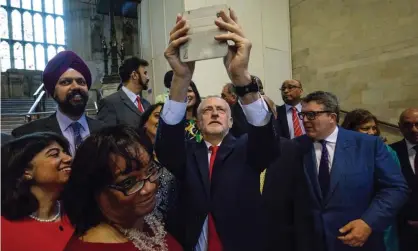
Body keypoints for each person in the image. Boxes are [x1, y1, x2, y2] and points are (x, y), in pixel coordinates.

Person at [155, 9, 281, 251]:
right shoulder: (187, 153)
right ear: (198, 124)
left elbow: (266, 141)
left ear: (232, 122)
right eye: (206, 110)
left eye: (221, 110)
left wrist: (241, 77)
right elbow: (166, 147)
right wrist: (180, 79)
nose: (214, 112)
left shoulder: (247, 149)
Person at [294, 91, 408, 251]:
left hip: (358, 242)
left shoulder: (369, 145)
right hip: (310, 242)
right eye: (303, 115)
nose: (305, 120)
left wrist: (368, 222)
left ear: (332, 117)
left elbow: (396, 188)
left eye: (312, 115)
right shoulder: (294, 148)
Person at [61, 125, 183, 251]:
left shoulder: (142, 222)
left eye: (151, 170)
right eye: (129, 182)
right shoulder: (89, 247)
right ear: (96, 191)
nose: (149, 187)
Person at [11, 51, 104, 156]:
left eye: (81, 82)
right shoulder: (27, 135)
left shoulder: (106, 131)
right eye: (66, 82)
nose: (75, 87)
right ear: (53, 92)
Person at [1, 132, 74, 251]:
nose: (68, 158)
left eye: (65, 153)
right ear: (27, 171)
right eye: (54, 154)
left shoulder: (79, 214)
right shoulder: (4, 228)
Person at [341, 108, 401, 251]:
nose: (372, 132)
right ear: (351, 129)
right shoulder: (340, 152)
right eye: (365, 128)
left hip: (379, 219)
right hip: (348, 220)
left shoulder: (387, 152)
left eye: (374, 128)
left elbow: (396, 189)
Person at [138, 103, 179, 223]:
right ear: (145, 122)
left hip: (174, 224)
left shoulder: (179, 154)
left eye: (167, 118)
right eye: (157, 116)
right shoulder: (133, 153)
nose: (162, 120)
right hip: (142, 222)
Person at [390, 108, 418, 251]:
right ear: (400, 127)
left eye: (417, 124)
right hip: (404, 230)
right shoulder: (390, 153)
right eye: (408, 125)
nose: (414, 129)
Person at [97, 57, 151, 127]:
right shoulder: (110, 103)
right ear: (134, 75)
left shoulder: (146, 104)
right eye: (145, 73)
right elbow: (105, 135)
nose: (148, 78)